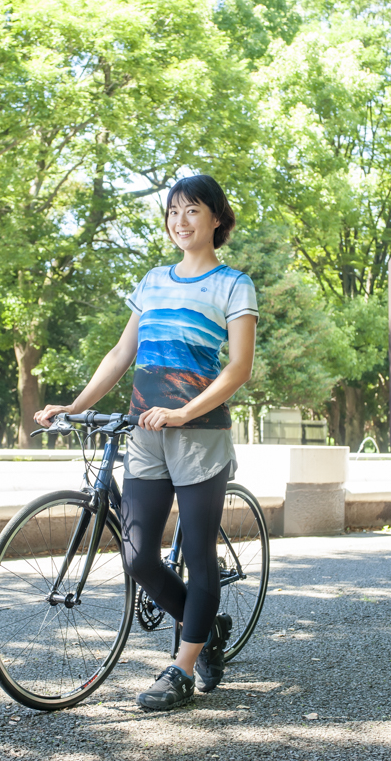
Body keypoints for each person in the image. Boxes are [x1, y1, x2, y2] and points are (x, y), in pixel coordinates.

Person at [34, 174, 257, 711]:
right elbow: (120, 354)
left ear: (217, 219)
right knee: (137, 558)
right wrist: (74, 406)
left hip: (199, 435)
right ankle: (206, 625)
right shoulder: (153, 281)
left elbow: (239, 368)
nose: (181, 221)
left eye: (193, 211)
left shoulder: (233, 284)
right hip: (145, 433)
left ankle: (183, 668)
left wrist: (183, 411)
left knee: (198, 555)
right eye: (173, 212)